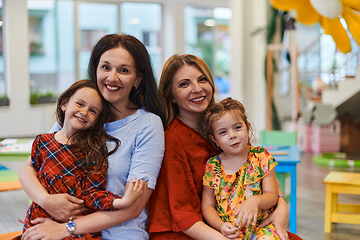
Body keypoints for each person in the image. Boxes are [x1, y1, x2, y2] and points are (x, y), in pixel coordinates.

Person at [19, 34, 165, 240]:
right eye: (105, 67)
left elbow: (134, 207)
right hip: (58, 227)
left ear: (138, 79)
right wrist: (46, 201)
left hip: (117, 234)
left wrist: (66, 228)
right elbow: (29, 168)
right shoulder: (79, 113)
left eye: (123, 70)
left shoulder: (147, 124)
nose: (112, 77)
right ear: (96, 69)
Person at [148, 54, 300, 240]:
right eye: (184, 84)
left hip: (234, 223)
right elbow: (183, 215)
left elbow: (255, 164)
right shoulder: (172, 139)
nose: (197, 89)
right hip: (184, 230)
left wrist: (281, 206)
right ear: (171, 95)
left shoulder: (223, 123)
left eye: (202, 79)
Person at [18, 80, 144, 239]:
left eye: (92, 110)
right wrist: (45, 200)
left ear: (96, 120)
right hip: (38, 222)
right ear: (64, 104)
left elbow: (93, 194)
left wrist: (122, 202)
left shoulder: (93, 152)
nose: (84, 112)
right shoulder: (41, 142)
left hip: (75, 229)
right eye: (80, 104)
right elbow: (29, 175)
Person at [202, 97, 279, 239]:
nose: (232, 135)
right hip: (229, 231)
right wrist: (220, 226)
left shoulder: (261, 156)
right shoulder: (213, 166)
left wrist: (255, 201)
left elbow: (272, 195)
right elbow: (207, 206)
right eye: (222, 132)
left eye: (237, 127)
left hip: (261, 228)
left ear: (248, 127)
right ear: (214, 139)